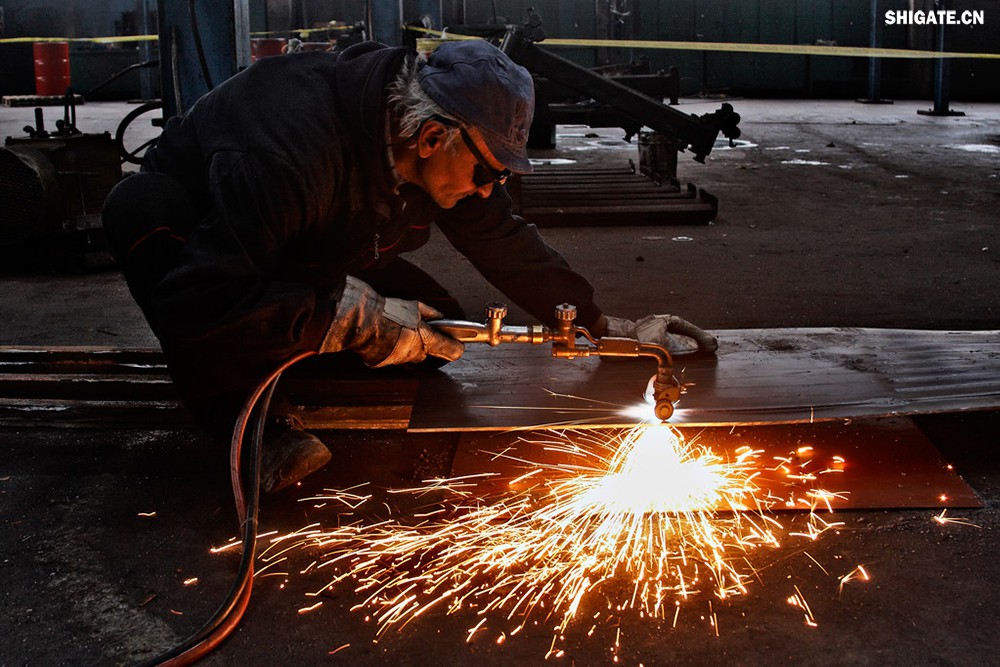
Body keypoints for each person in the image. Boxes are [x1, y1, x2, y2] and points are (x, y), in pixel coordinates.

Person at [101, 39, 717, 492]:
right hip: (215, 244)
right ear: (431, 139)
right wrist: (338, 319)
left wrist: (599, 322)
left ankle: (295, 353)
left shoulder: (430, 135)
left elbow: (500, 235)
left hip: (311, 238)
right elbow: (203, 296)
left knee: (435, 330)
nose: (487, 189)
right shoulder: (284, 154)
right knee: (181, 267)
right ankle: (249, 429)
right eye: (487, 173)